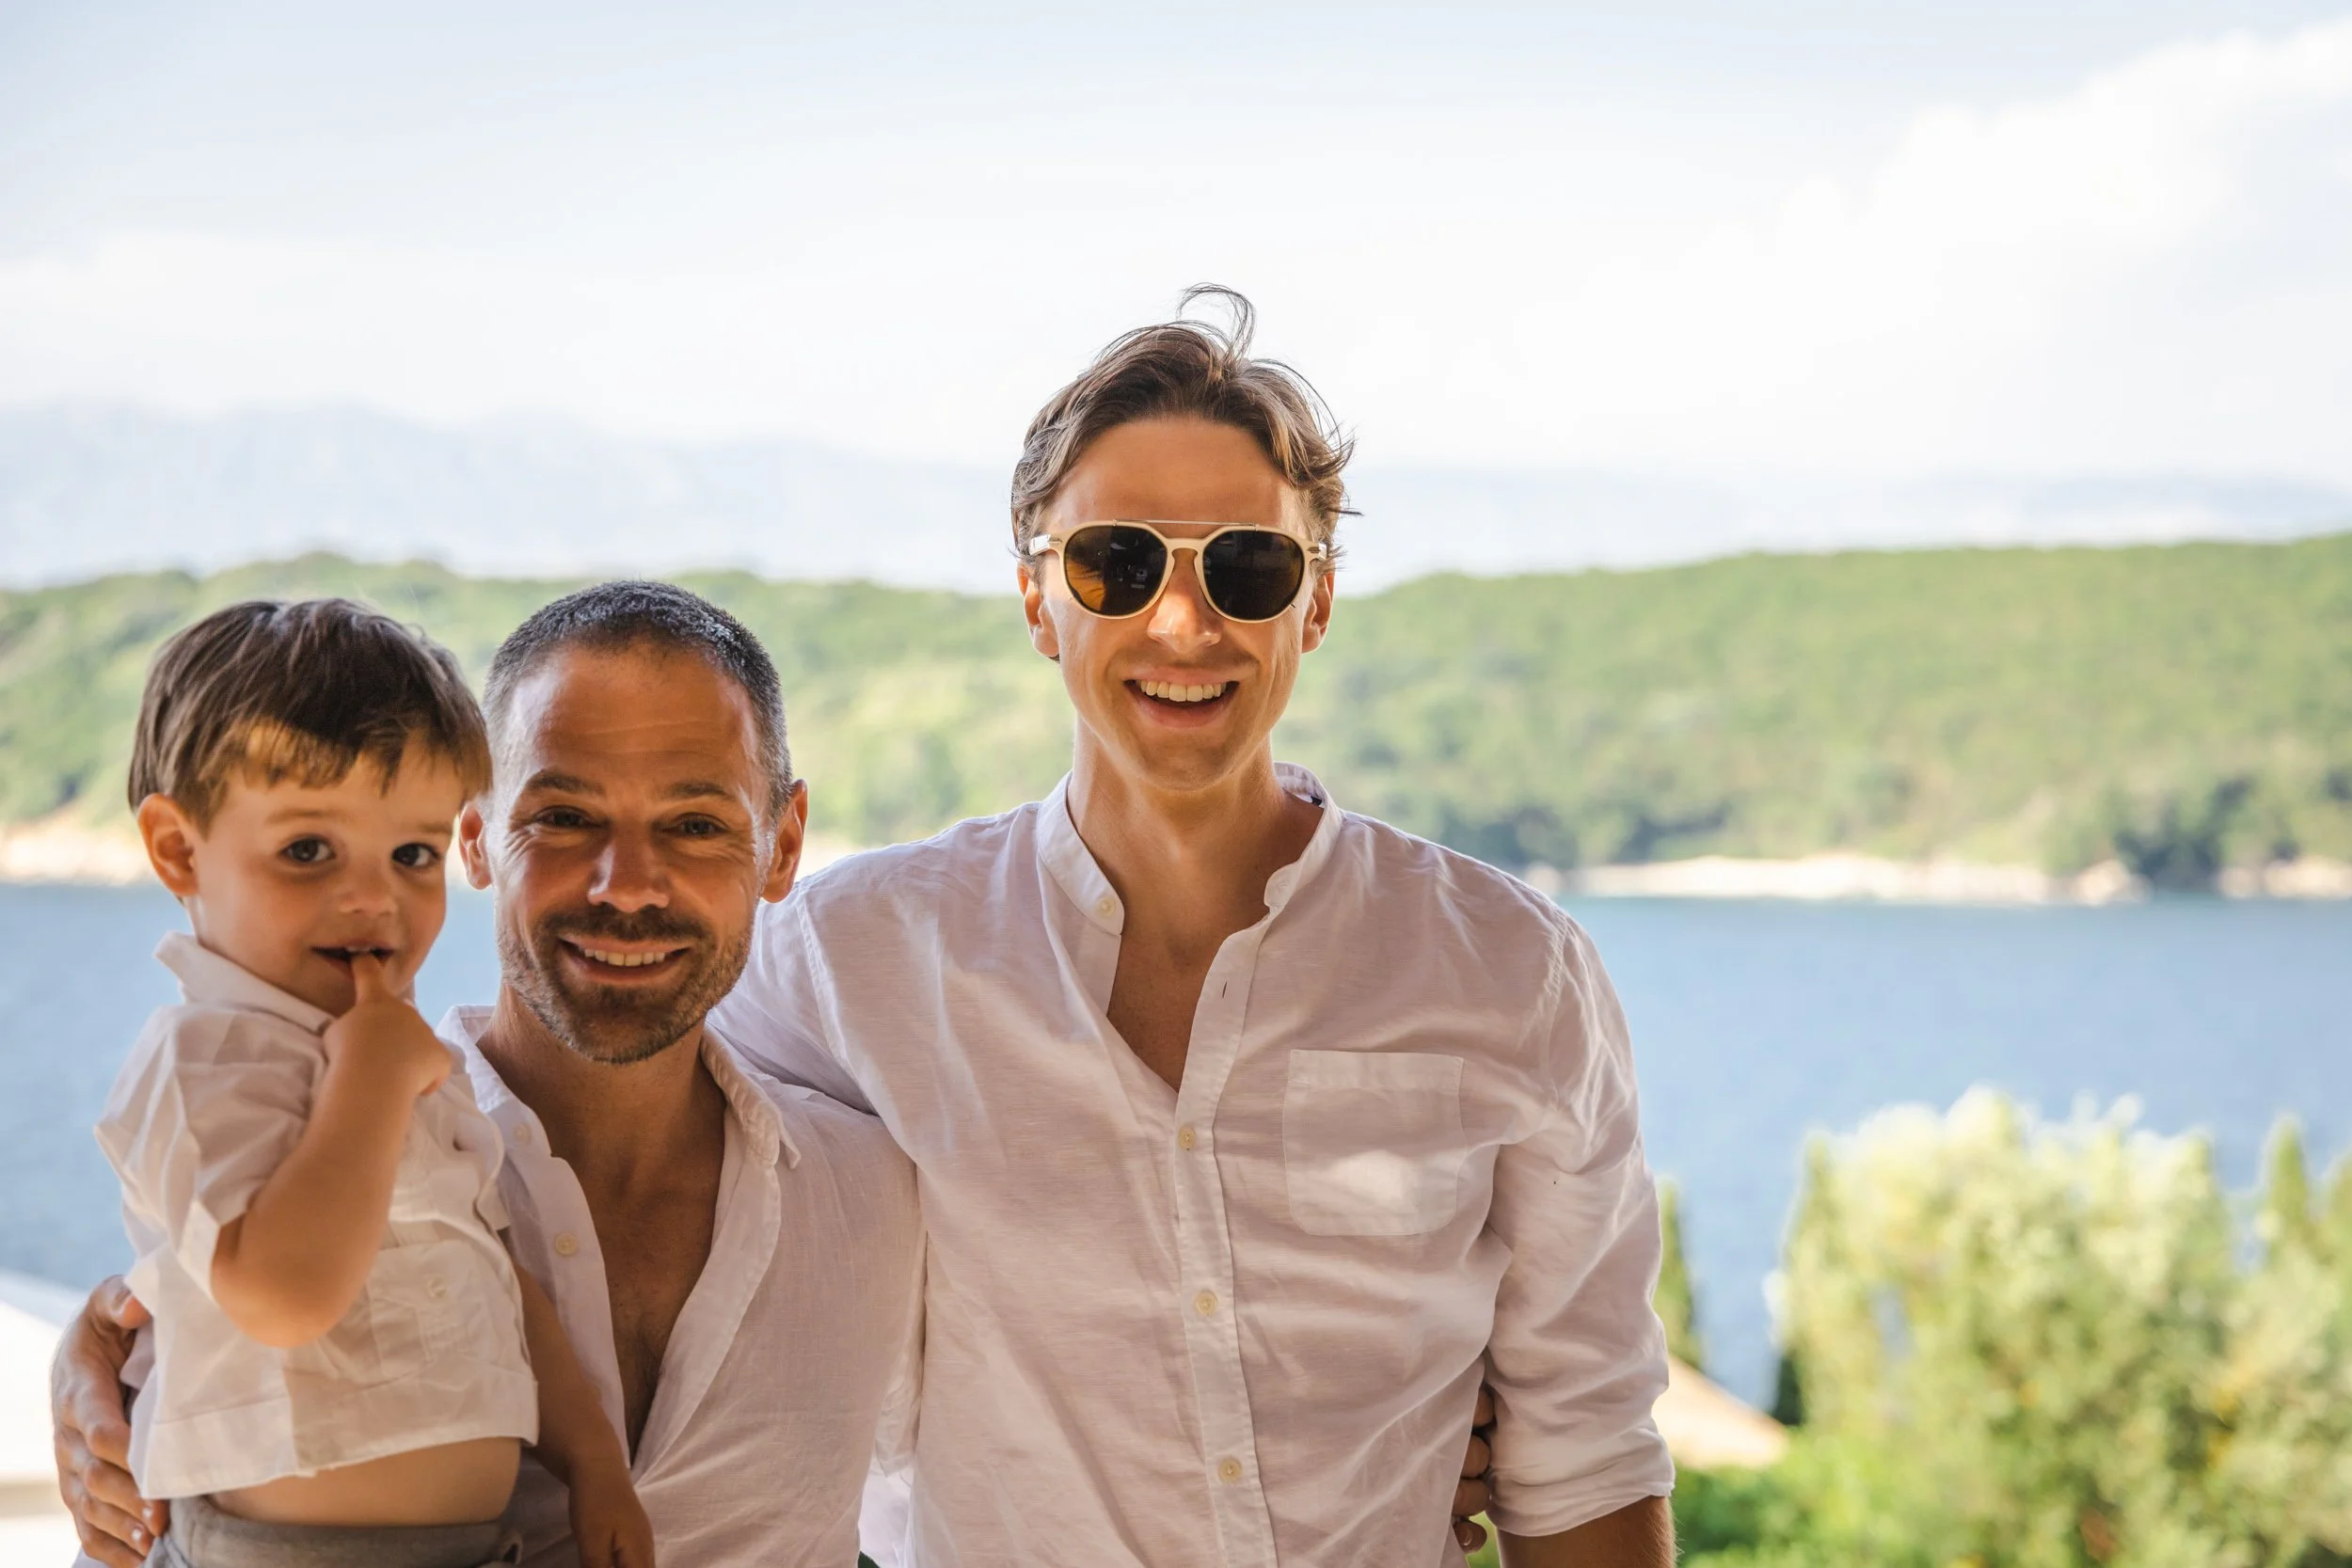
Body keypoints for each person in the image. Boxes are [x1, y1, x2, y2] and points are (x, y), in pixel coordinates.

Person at [711, 288, 1677, 1566]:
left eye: (1249, 563)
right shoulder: (839, 964)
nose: (1183, 621)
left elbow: (1590, 1460)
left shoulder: (1513, 973)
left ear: (1315, 603)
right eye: (1116, 561)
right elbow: (629, 1234)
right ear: (1037, 597)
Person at [57, 586, 925, 1567]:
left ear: (784, 843)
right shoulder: (331, 1121)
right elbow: (212, 1288)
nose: (626, 882)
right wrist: (98, 1335)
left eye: (694, 824)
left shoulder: (879, 1199)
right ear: (473, 834)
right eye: (561, 815)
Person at [92, 599, 651, 1568]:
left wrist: (596, 1460)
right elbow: (282, 1294)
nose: (373, 896)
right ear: (181, 849)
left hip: (482, 1542)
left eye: (413, 854)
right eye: (308, 849)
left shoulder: (388, 1056)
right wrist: (371, 1078)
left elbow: (496, 1282)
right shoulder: (201, 1061)